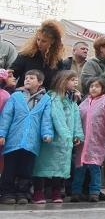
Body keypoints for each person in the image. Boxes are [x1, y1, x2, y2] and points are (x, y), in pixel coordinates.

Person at [0, 69, 54, 205]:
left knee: (26, 169)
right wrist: (2, 133)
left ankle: (22, 193)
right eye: (26, 78)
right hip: (13, 140)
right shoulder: (15, 96)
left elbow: (46, 119)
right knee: (9, 169)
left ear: (40, 82)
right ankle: (7, 193)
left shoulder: (46, 99)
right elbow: (6, 116)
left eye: (31, 78)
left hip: (31, 142)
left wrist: (47, 134)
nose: (27, 80)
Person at [32, 70, 83, 203]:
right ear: (63, 81)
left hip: (64, 142)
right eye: (72, 80)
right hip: (52, 140)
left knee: (60, 167)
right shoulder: (54, 97)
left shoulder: (71, 100)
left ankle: (56, 192)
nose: (75, 82)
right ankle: (38, 192)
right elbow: (56, 117)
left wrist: (77, 134)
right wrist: (66, 135)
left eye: (76, 80)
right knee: (42, 166)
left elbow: (76, 118)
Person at [72, 78, 105, 202]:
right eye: (91, 86)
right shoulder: (83, 103)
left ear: (102, 89)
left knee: (95, 168)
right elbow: (75, 118)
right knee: (79, 168)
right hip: (81, 143)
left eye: (97, 86)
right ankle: (76, 192)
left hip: (97, 141)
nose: (93, 88)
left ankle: (94, 192)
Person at [10, 20, 65, 90]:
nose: (39, 43)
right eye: (38, 39)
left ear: (53, 41)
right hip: (23, 96)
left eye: (44, 41)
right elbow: (12, 74)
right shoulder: (26, 55)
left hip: (45, 98)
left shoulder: (58, 61)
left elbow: (59, 83)